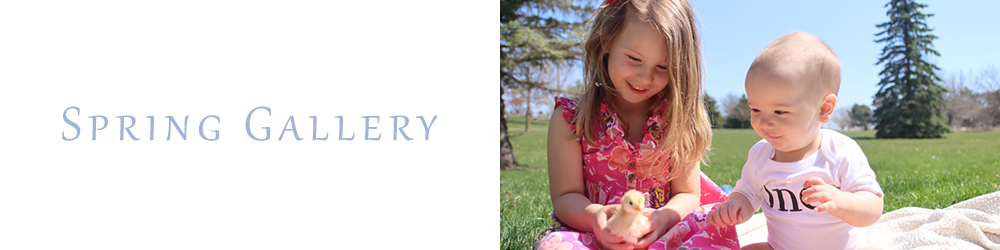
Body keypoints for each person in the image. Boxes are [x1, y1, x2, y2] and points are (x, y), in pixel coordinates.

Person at [534, 0, 737, 249]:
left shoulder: (677, 120)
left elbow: (688, 194)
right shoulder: (571, 119)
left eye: (663, 67)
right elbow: (565, 197)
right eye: (633, 58)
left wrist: (663, 219)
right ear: (607, 39)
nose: (645, 77)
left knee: (712, 232)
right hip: (592, 234)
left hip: (666, 233)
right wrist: (596, 217)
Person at [705, 32, 885, 250]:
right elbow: (747, 193)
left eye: (780, 111)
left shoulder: (838, 151)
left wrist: (842, 201)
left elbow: (873, 207)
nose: (764, 121)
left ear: (823, 109)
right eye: (755, 109)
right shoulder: (760, 156)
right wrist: (735, 205)